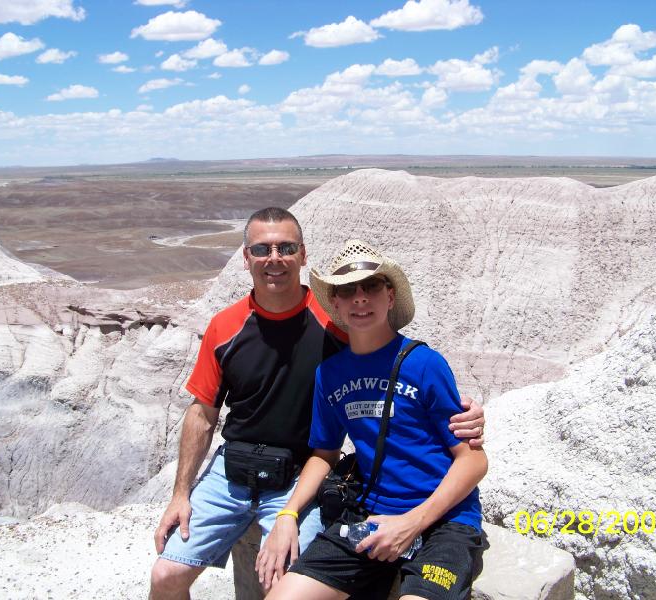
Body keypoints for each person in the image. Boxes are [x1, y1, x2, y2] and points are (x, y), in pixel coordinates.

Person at [149, 209, 486, 599]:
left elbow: (467, 452)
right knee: (168, 574)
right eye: (262, 249)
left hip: (409, 511)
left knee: (283, 578)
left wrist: (468, 414)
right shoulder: (255, 339)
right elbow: (206, 413)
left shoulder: (383, 347)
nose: (360, 299)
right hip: (272, 483)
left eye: (286, 248)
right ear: (246, 257)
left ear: (303, 254)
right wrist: (183, 494)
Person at [258, 239, 487, 600]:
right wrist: (288, 515)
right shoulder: (330, 374)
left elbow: (473, 460)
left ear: (390, 296)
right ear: (335, 302)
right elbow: (324, 453)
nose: (360, 298)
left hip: (445, 523)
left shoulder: (424, 364)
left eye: (371, 286)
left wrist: (412, 523)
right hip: (370, 517)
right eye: (347, 290)